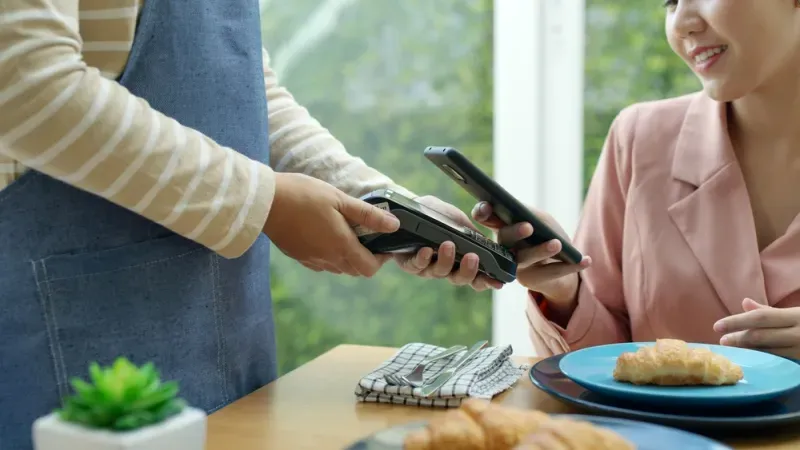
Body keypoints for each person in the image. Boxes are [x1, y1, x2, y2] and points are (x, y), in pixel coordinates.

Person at [0, 1, 498, 448]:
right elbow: (24, 82)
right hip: (69, 323)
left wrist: (383, 205)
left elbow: (241, 88)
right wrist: (263, 202)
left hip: (225, 331)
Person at [472, 0, 800, 359]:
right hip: (653, 419)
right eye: (670, 2)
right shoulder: (641, 140)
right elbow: (605, 365)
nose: (682, 24)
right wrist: (565, 292)